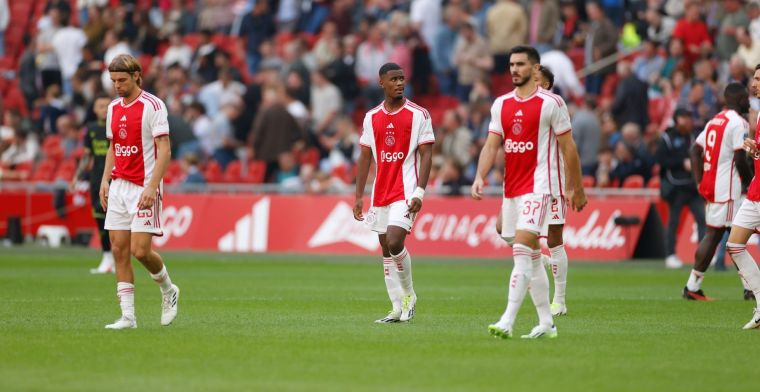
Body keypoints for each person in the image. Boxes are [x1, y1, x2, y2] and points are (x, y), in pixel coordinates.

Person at [473, 46, 586, 339]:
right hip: (514, 187)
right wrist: (479, 176)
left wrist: (576, 187)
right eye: (511, 64)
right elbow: (491, 144)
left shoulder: (552, 103)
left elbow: (568, 147)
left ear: (536, 69)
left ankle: (507, 320)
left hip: (542, 186)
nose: (514, 69)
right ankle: (547, 323)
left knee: (522, 251)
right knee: (532, 256)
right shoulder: (500, 104)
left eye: (521, 64)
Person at [99, 54, 179, 330]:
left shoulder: (154, 106)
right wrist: (105, 180)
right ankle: (128, 317)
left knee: (140, 251)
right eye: (113, 81)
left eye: (122, 80)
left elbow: (165, 150)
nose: (117, 85)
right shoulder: (112, 108)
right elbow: (113, 147)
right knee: (119, 250)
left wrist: (153, 186)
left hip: (144, 185)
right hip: (119, 186)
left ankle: (168, 290)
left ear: (136, 76)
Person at [353, 62, 435, 323]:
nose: (400, 83)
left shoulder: (419, 114)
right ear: (382, 83)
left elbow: (427, 154)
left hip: (406, 191)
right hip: (380, 193)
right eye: (394, 79)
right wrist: (358, 196)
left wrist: (420, 192)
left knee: (395, 241)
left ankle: (410, 295)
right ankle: (396, 307)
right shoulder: (371, 117)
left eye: (402, 78)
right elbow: (365, 157)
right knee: (385, 249)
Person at [494, 65, 571, 317]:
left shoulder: (554, 107)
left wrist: (571, 184)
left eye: (537, 80)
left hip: (552, 183)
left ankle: (559, 300)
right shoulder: (515, 108)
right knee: (502, 228)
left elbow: (568, 148)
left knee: (554, 239)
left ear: (546, 84)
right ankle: (542, 259)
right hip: (522, 183)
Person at [683, 83, 754, 301]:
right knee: (732, 237)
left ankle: (693, 287)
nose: (748, 102)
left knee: (718, 236)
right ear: (738, 99)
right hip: (729, 189)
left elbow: (695, 150)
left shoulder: (715, 120)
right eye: (745, 98)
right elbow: (740, 158)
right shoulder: (738, 123)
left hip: (712, 186)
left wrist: (698, 181)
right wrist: (751, 182)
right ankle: (750, 287)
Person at [725, 64, 760, 329]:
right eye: (754, 78)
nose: (754, 83)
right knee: (734, 245)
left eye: (759, 79)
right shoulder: (757, 116)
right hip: (755, 193)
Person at [655, 108, 706, 269]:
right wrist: (683, 162)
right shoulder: (667, 137)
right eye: (684, 118)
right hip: (676, 187)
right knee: (673, 222)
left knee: (702, 220)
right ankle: (670, 255)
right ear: (677, 119)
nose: (688, 121)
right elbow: (661, 160)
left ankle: (703, 254)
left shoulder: (694, 137)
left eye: (689, 118)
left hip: (692, 186)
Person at [72, 94, 115, 274]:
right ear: (95, 110)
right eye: (100, 106)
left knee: (114, 218)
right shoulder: (90, 129)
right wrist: (77, 176)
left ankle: (118, 256)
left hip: (116, 177)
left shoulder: (115, 126)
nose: (104, 109)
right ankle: (107, 257)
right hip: (96, 178)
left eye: (107, 106)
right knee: (99, 217)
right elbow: (87, 155)